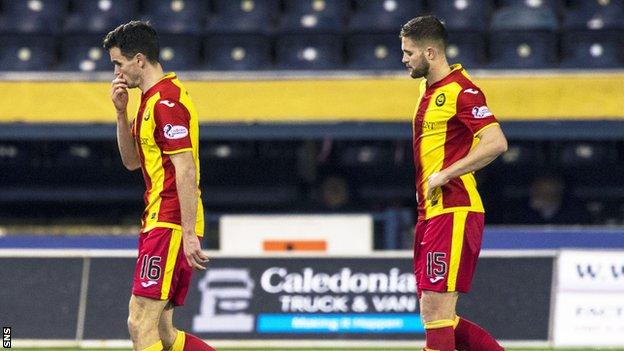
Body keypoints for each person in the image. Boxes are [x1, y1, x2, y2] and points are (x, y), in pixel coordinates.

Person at [104, 20, 215, 351]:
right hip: (160, 219)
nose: (117, 73)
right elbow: (131, 161)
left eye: (118, 64)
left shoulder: (167, 103)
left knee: (140, 323)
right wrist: (121, 115)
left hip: (169, 221)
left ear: (139, 59)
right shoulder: (150, 101)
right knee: (163, 330)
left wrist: (189, 234)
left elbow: (185, 168)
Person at [400, 16, 508, 351]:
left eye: (409, 52)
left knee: (435, 310)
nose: (404, 59)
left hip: (454, 209)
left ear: (430, 53)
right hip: (431, 213)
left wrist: (447, 173)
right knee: (436, 312)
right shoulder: (427, 88)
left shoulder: (463, 92)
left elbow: (496, 142)